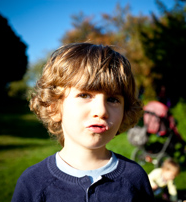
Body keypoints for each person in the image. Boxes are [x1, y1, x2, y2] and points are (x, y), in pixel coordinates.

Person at [11, 42, 154, 202]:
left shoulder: (135, 178)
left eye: (113, 99)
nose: (101, 111)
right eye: (85, 95)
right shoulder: (33, 183)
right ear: (54, 107)